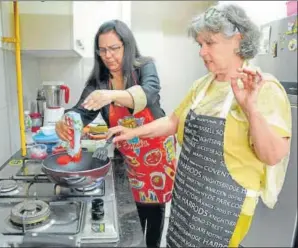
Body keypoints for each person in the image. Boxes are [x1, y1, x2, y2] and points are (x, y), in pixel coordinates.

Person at [107, 4, 292, 247]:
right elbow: (173, 121)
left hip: (224, 207)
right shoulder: (203, 86)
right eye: (200, 44)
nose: (202, 52)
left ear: (238, 40)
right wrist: (132, 132)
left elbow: (273, 156)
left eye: (210, 43)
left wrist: (250, 108)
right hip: (188, 196)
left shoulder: (264, 88)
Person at [55, 20, 177, 248]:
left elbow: (149, 94)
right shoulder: (98, 82)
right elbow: (82, 111)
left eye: (114, 48)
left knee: (155, 205)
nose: (108, 55)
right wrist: (67, 120)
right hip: (129, 152)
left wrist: (111, 95)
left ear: (127, 46)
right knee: (134, 205)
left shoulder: (144, 67)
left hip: (156, 148)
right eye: (102, 50)